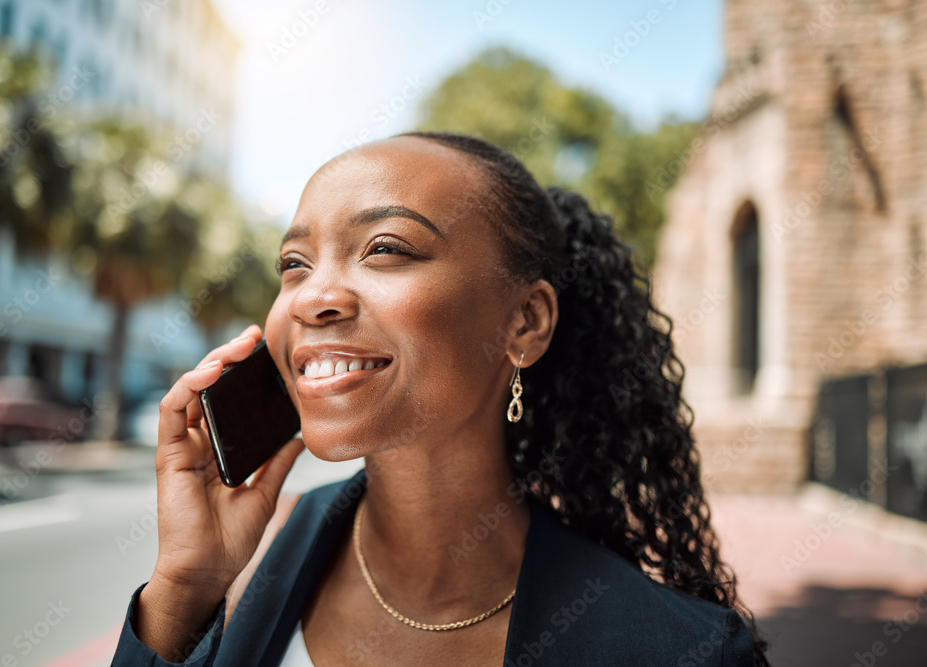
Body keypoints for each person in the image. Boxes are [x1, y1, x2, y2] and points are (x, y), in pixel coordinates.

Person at [110, 131, 770, 666]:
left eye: (386, 248)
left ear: (525, 323)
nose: (312, 297)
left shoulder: (683, 651)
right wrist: (183, 594)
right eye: (295, 264)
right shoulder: (247, 565)